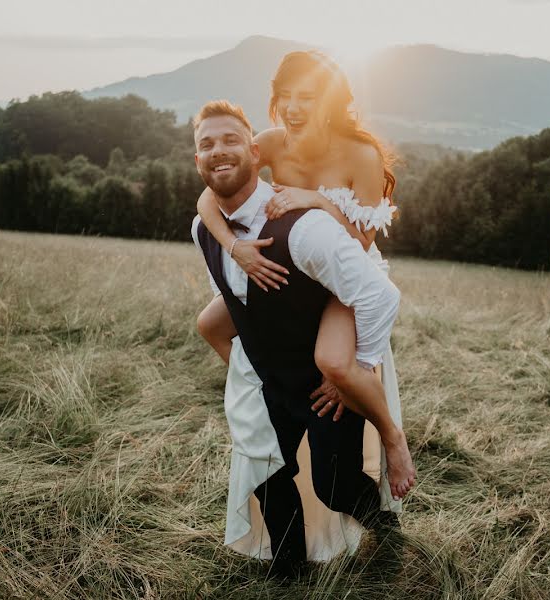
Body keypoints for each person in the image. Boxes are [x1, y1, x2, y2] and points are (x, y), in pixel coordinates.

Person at [190, 99, 402, 573]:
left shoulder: (306, 228)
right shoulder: (204, 229)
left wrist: (355, 368)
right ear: (196, 159)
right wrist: (232, 246)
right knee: (268, 476)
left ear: (254, 150)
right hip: (268, 380)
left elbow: (377, 293)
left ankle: (385, 526)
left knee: (334, 484)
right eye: (207, 145)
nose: (219, 151)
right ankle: (286, 573)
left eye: (230, 141)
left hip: (323, 376)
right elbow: (233, 297)